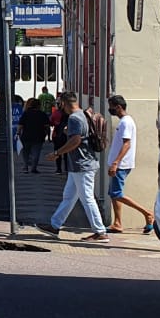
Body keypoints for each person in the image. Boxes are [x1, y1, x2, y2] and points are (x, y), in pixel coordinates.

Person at [37, 91, 108, 243]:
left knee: (87, 199)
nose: (60, 106)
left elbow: (76, 140)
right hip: (79, 165)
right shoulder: (82, 115)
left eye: (60, 103)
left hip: (82, 165)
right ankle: (54, 225)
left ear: (64, 103)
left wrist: (57, 153)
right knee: (68, 197)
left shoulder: (74, 118)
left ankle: (100, 231)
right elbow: (81, 136)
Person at [106, 94, 155, 234]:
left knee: (117, 194)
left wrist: (116, 162)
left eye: (111, 107)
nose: (110, 110)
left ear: (118, 107)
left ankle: (147, 213)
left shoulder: (125, 122)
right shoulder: (124, 122)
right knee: (114, 194)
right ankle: (117, 223)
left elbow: (126, 144)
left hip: (121, 165)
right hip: (119, 164)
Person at [17, 98, 50, 173]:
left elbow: (20, 125)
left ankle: (25, 167)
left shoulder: (26, 113)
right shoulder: (42, 114)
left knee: (25, 152)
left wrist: (18, 133)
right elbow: (47, 126)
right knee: (36, 153)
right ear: (39, 105)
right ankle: (33, 168)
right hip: (38, 136)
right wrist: (47, 135)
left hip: (26, 136)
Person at [49, 101, 68, 174]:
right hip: (66, 135)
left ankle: (59, 169)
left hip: (57, 135)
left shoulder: (56, 113)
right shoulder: (69, 114)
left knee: (57, 152)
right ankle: (66, 168)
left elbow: (51, 122)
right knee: (66, 153)